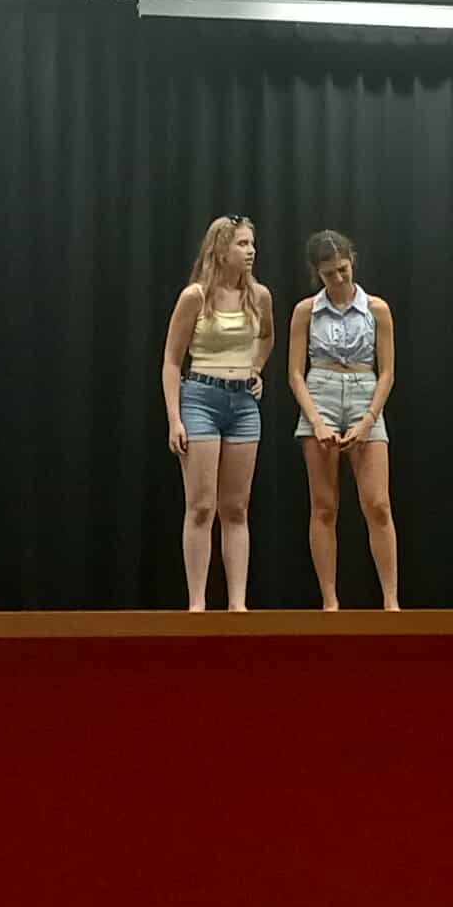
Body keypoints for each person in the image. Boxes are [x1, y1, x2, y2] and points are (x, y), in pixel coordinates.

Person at [161, 215, 274, 612]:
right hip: (200, 398)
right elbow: (172, 360)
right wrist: (174, 418)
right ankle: (197, 604)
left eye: (252, 244)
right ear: (221, 249)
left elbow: (267, 337)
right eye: (242, 244)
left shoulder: (259, 296)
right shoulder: (195, 296)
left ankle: (237, 605)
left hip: (242, 404)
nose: (250, 251)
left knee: (236, 508)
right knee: (201, 506)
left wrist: (255, 367)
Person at [289, 230, 400, 611]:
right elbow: (295, 373)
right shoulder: (305, 311)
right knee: (324, 506)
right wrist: (316, 421)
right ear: (317, 274)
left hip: (364, 393)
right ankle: (330, 602)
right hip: (319, 392)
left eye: (343, 269)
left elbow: (387, 372)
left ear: (352, 262)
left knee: (378, 503)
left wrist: (368, 420)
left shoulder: (377, 309)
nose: (338, 278)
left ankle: (391, 601)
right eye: (329, 273)